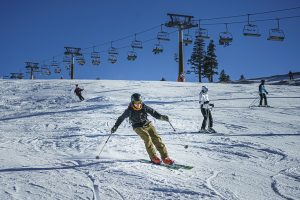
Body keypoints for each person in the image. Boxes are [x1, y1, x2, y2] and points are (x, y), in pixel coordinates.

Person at [111, 93, 174, 165]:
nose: (138, 105)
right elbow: (121, 118)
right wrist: (115, 126)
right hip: (137, 126)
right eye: (136, 103)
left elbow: (154, 113)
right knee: (147, 138)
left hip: (147, 124)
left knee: (157, 138)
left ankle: (165, 157)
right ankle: (153, 157)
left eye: (139, 103)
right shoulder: (129, 110)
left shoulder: (144, 107)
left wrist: (162, 117)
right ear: (132, 102)